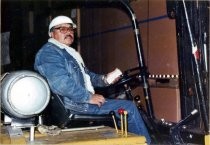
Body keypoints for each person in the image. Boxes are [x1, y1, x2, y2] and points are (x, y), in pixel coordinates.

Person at [34, 15, 151, 144]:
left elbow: (88, 76)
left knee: (122, 108)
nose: (68, 32)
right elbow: (61, 83)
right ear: (51, 33)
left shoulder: (69, 53)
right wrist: (88, 97)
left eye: (71, 29)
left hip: (78, 101)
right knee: (129, 108)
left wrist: (105, 79)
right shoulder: (49, 53)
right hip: (76, 104)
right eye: (62, 29)